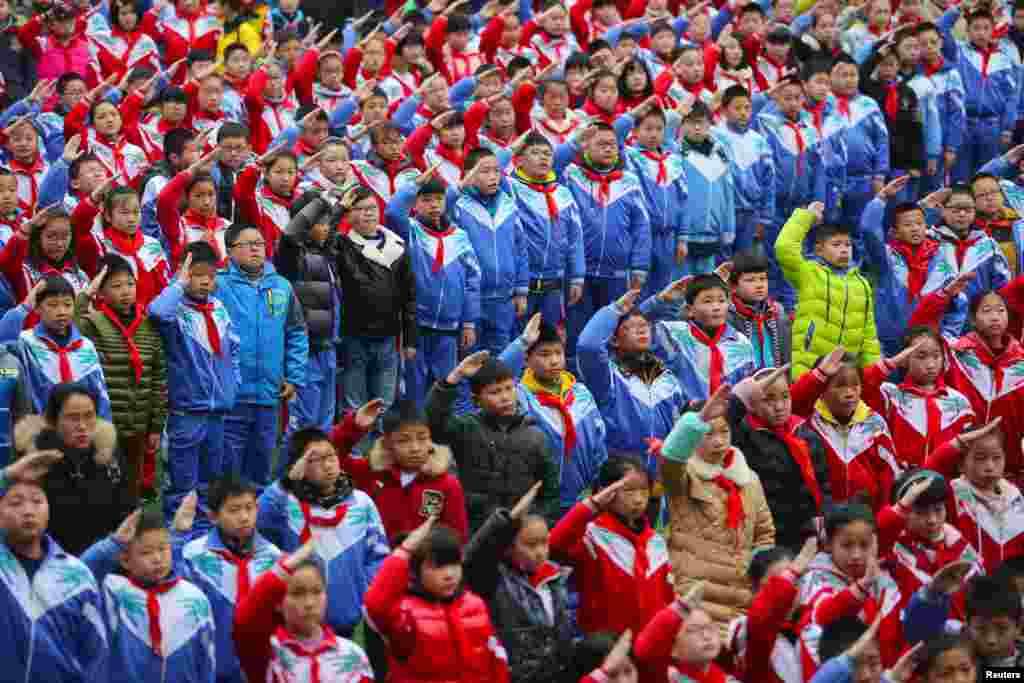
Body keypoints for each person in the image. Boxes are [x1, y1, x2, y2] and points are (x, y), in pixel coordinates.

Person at [659, 385, 775, 635]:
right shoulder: (684, 476)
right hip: (698, 604)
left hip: (743, 604)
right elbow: (670, 458)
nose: (719, 441)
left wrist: (754, 578)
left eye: (724, 431)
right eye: (708, 434)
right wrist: (697, 421)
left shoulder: (748, 479)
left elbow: (765, 535)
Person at [256, 422, 390, 638]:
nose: (328, 465)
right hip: (295, 621)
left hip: (346, 619)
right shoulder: (285, 504)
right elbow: (258, 522)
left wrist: (362, 594)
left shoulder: (361, 503)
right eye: (316, 460)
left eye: (331, 456)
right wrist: (287, 483)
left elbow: (379, 556)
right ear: (298, 465)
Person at [149, 242, 241, 526]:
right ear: (184, 273)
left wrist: (233, 385)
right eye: (197, 274)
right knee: (182, 485)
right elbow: (156, 312)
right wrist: (178, 283)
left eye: (210, 276)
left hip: (218, 411)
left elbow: (233, 350)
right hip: (187, 411)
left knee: (210, 482)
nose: (204, 281)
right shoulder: (176, 310)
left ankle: (202, 538)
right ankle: (178, 541)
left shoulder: (219, 308)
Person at [0, 452, 109, 681]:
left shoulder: (77, 576)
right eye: (15, 503)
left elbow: (96, 656)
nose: (28, 511)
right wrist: (6, 476)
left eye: (37, 501)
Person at [364, 516, 511, 683]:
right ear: (415, 570)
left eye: (454, 564)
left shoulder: (475, 605)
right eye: (437, 566)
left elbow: (496, 660)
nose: (449, 575)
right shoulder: (405, 614)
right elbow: (376, 605)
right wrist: (404, 551)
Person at [216, 222, 308, 491]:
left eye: (259, 243)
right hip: (232, 394)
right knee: (229, 467)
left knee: (263, 464)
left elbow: (297, 332)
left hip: (270, 393)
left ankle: (257, 518)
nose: (256, 249)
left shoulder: (281, 286)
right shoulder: (219, 285)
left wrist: (294, 377)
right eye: (247, 244)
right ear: (230, 251)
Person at [427, 350, 560, 532]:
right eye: (495, 392)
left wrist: (538, 524)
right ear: (477, 400)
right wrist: (454, 377)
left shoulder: (535, 435)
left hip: (520, 532)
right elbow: (434, 423)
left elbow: (550, 492)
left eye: (509, 388)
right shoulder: (467, 428)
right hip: (476, 530)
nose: (505, 397)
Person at [81, 507, 216, 683]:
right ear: (125, 560)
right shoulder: (112, 592)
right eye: (146, 552)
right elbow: (81, 577)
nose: (157, 559)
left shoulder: (193, 597)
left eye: (163, 549)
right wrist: (113, 544)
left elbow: (206, 658)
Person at [464, 482, 576, 683]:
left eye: (544, 542)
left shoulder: (555, 576)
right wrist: (507, 521)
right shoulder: (494, 578)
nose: (540, 551)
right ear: (508, 547)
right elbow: (475, 557)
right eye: (531, 545)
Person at [550, 456, 674, 636]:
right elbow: (554, 545)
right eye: (629, 491)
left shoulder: (656, 542)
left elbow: (667, 597)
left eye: (644, 490)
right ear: (606, 491)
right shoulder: (591, 536)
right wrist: (593, 504)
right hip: (606, 650)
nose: (639, 499)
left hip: (649, 648)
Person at [78, 254, 167, 500]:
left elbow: (158, 379)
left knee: (131, 490)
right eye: (116, 286)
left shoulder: (149, 325)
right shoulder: (93, 324)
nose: (126, 291)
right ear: (101, 291)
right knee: (101, 487)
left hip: (138, 424)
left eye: (130, 283)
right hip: (105, 425)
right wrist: (86, 294)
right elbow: (71, 330)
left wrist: (156, 426)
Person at [386, 175, 482, 406]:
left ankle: (444, 434)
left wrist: (468, 321)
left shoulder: (460, 237)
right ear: (415, 204)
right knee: (414, 390)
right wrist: (415, 185)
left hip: (449, 329)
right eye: (426, 200)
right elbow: (392, 213)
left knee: (446, 387)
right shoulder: (410, 231)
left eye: (439, 199)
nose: (434, 205)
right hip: (416, 327)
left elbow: (473, 279)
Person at [177, 477, 283, 683]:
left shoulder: (273, 557)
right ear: (213, 516)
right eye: (234, 510)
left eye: (249, 508)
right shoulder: (194, 556)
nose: (244, 517)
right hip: (212, 669)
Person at [234, 540, 374, 683]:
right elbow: (244, 620)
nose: (309, 603)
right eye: (297, 593)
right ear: (277, 602)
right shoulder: (268, 654)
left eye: (317, 592)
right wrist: (287, 565)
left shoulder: (352, 656)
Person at [335, 186, 417, 422]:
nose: (367, 214)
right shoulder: (342, 245)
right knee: (355, 403)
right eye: (359, 209)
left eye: (371, 208)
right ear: (349, 215)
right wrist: (339, 208)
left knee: (385, 402)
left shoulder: (397, 246)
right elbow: (326, 237)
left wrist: (410, 339)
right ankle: (356, 452)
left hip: (388, 337)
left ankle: (382, 453)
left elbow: (409, 295)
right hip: (354, 336)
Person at [337, 398, 469, 543]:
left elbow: (457, 539)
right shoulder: (370, 473)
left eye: (422, 438)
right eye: (404, 440)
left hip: (426, 563)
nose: (415, 448)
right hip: (378, 563)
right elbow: (328, 458)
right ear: (387, 443)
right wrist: (354, 427)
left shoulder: (448, 485)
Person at [798, 502, 905, 677]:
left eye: (864, 545)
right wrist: (863, 586)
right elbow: (824, 614)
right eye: (846, 546)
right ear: (828, 544)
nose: (856, 555)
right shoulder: (815, 580)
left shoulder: (885, 582)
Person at [778, 202, 880, 378]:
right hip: (808, 367)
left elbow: (869, 336)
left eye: (847, 245)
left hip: (846, 374)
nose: (844, 250)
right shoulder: (809, 273)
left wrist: (873, 376)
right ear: (819, 249)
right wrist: (806, 217)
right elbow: (784, 247)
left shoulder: (861, 283)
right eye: (836, 244)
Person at [800, 351, 902, 509]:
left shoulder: (875, 424)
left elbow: (890, 475)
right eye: (840, 386)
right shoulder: (809, 424)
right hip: (826, 519)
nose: (849, 393)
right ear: (822, 388)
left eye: (855, 385)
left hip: (868, 520)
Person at [1, 274, 112, 418]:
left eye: (67, 304)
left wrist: (103, 435)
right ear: (37, 308)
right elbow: (3, 342)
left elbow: (100, 395)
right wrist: (24, 307)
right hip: (41, 433)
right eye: (53, 305)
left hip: (81, 431)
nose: (61, 312)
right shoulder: (25, 343)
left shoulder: (86, 346)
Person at [276, 192, 342, 436]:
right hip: (305, 352)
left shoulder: (324, 254)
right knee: (303, 422)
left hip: (328, 348)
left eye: (327, 223)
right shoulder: (292, 256)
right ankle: (291, 473)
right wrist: (320, 202)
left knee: (325, 419)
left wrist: (339, 208)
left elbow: (329, 231)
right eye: (320, 223)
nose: (326, 228)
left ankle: (319, 472)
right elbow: (291, 234)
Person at [877, 469, 981, 616]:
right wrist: (903, 504)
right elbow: (879, 537)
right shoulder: (892, 550)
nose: (932, 520)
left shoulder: (959, 545)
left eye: (938, 510)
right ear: (903, 512)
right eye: (920, 512)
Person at [728, 249, 791, 370]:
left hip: (774, 378)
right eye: (750, 280)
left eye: (763, 278)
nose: (759, 285)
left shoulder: (777, 311)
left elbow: (786, 354)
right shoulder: (729, 315)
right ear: (733, 286)